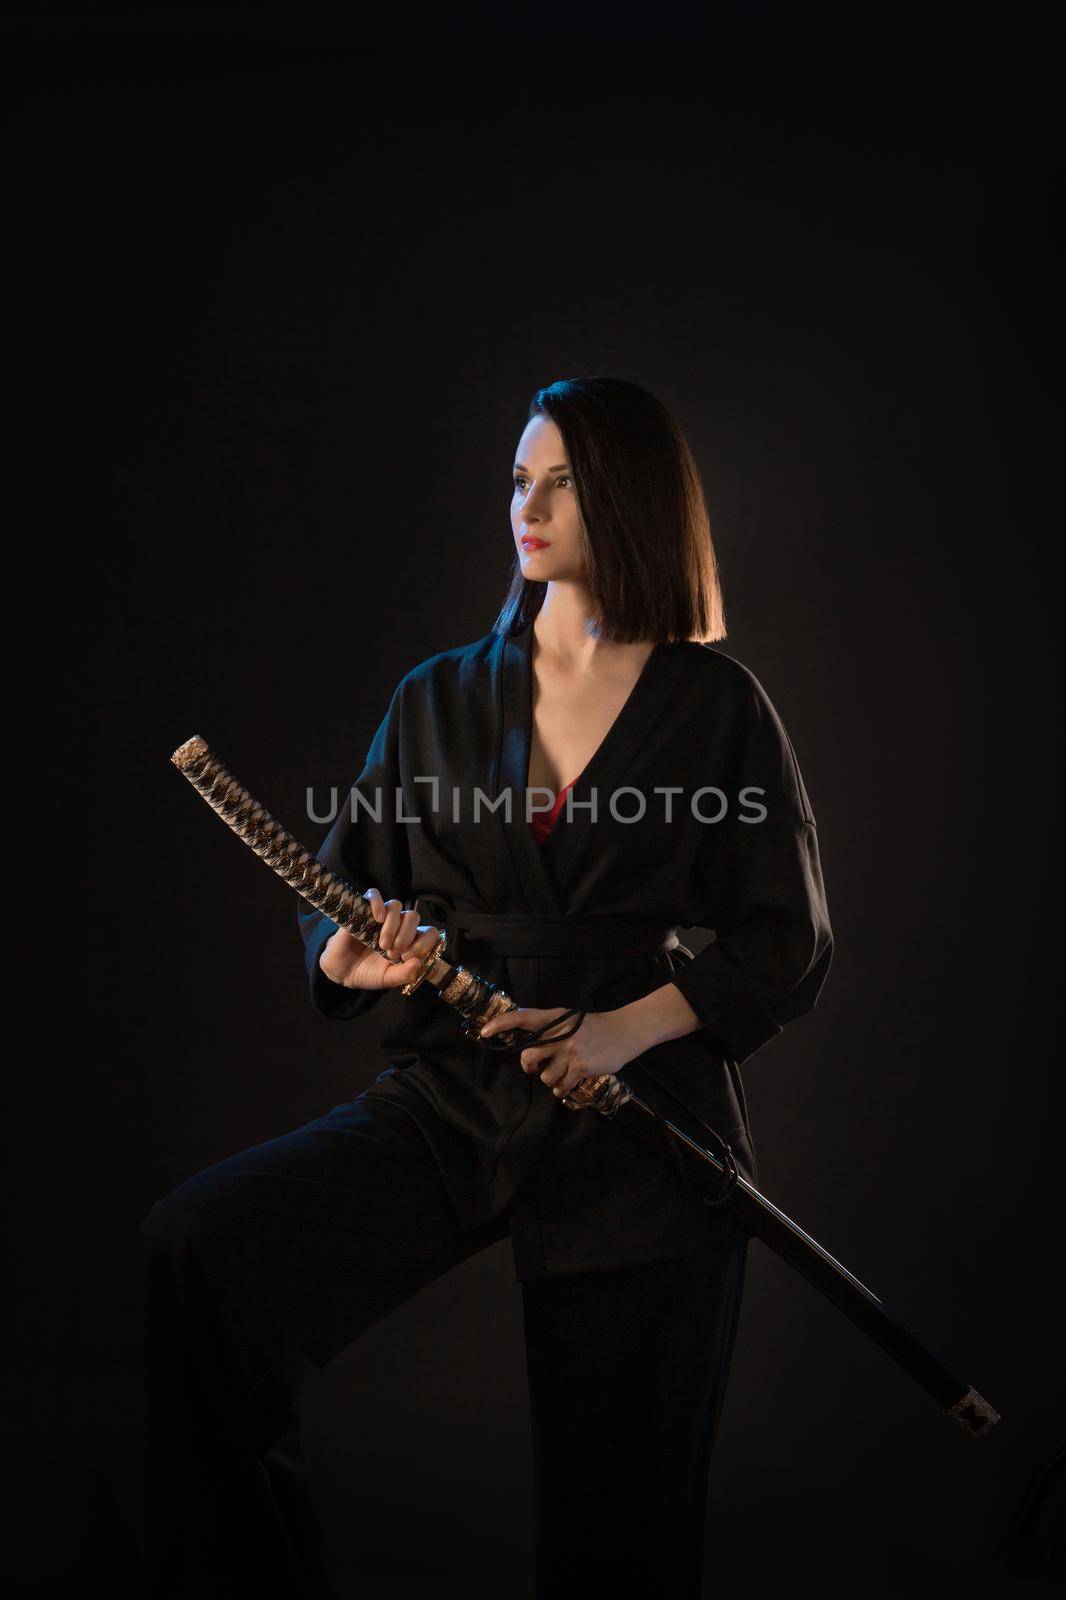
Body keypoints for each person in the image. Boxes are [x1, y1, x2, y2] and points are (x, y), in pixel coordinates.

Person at [139, 376, 833, 1598]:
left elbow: (786, 941)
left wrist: (620, 1031)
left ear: (627, 497)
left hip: (646, 1127)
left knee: (620, 1532)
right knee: (199, 1247)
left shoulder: (716, 706)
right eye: (520, 477)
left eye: (563, 478)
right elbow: (342, 896)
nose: (530, 502)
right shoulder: (438, 695)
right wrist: (359, 947)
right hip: (462, 1092)